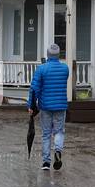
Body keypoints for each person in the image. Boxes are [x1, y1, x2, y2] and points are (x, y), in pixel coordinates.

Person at [28, 43, 69, 171]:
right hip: (61, 105)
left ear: (47, 54)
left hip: (45, 106)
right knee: (59, 131)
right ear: (59, 55)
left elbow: (34, 89)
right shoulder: (65, 69)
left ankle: (46, 162)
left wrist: (31, 105)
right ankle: (57, 150)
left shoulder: (41, 69)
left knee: (46, 134)